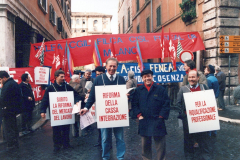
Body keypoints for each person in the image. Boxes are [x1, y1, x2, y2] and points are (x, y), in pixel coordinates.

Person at [80, 58, 126, 160]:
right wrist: (86, 107)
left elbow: (124, 96)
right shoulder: (99, 79)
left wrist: (127, 98)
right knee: (105, 138)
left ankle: (121, 157)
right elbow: (92, 96)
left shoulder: (121, 79)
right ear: (106, 66)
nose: (112, 68)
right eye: (110, 66)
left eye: (114, 66)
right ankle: (105, 157)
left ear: (117, 67)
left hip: (118, 115)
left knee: (120, 138)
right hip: (104, 114)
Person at [40, 70, 84, 153]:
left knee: (66, 129)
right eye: (61, 77)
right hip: (56, 114)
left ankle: (66, 144)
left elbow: (75, 95)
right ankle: (56, 146)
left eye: (64, 76)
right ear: (56, 77)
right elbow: (45, 100)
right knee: (56, 130)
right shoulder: (50, 88)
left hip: (66, 113)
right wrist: (43, 111)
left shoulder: (67, 86)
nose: (64, 78)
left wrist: (77, 101)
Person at [132, 70, 170, 160]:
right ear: (142, 78)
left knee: (160, 146)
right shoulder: (138, 90)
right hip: (144, 121)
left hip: (158, 121)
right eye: (145, 77)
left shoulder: (160, 89)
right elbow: (134, 104)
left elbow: (166, 104)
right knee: (145, 146)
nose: (147, 78)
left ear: (152, 77)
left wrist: (161, 116)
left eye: (149, 76)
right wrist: (139, 115)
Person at [177, 70, 211, 160]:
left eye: (193, 77)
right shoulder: (183, 89)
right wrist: (183, 115)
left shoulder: (204, 87)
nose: (191, 79)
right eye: (189, 77)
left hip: (202, 120)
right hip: (188, 121)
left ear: (198, 78)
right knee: (188, 140)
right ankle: (189, 157)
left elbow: (210, 101)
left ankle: (204, 156)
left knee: (203, 139)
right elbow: (178, 104)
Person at [0, 71, 22, 150]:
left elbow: (3, 99)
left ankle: (11, 144)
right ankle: (15, 142)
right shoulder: (14, 83)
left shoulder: (7, 85)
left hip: (7, 110)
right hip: (13, 110)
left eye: (0, 79)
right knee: (13, 126)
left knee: (8, 128)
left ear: (4, 78)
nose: (0, 81)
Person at [93, 66, 105, 148]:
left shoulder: (107, 81)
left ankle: (106, 143)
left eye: (100, 74)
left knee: (106, 127)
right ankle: (100, 141)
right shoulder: (96, 81)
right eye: (97, 74)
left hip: (106, 107)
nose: (99, 76)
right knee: (99, 126)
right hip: (98, 106)